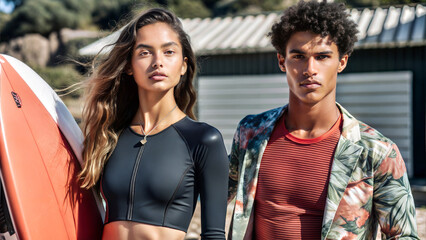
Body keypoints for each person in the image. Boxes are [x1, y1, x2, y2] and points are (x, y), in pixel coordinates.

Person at [227, 1, 419, 239]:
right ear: (281, 61)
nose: (310, 68)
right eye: (298, 56)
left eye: (322, 56)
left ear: (342, 62)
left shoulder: (377, 151)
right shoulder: (251, 133)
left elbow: (403, 235)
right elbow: (203, 190)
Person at [78, 8, 229, 240]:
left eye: (169, 52)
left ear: (183, 66)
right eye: (145, 53)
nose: (158, 62)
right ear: (129, 65)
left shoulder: (203, 140)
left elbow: (214, 235)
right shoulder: (108, 136)